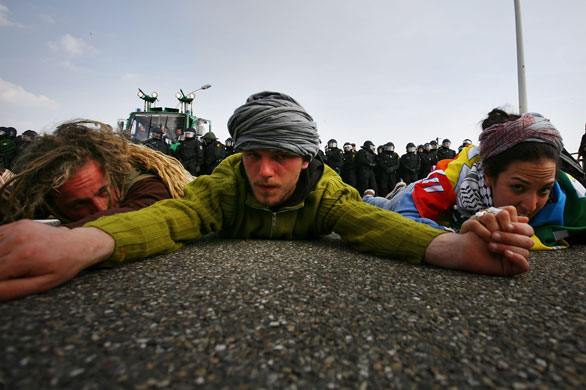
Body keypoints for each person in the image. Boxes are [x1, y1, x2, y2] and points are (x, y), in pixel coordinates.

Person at [0, 93, 535, 301]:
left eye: (280, 156)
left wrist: (452, 250)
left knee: (380, 209)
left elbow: (367, 227)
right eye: (253, 154)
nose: (265, 171)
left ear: (306, 158)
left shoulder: (326, 189)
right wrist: (83, 244)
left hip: (363, 204)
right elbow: (171, 217)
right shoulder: (224, 184)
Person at [364, 108, 586, 250]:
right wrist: (456, 240)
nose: (531, 205)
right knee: (381, 207)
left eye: (544, 190)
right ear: (488, 175)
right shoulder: (452, 179)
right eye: (518, 187)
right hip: (415, 194)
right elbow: (404, 219)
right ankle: (372, 197)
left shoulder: (564, 189)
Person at [0, 120, 193, 228]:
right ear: (51, 202)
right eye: (79, 204)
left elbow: (148, 212)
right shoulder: (41, 196)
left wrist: (58, 235)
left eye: (103, 191)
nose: (101, 208)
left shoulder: (138, 177)